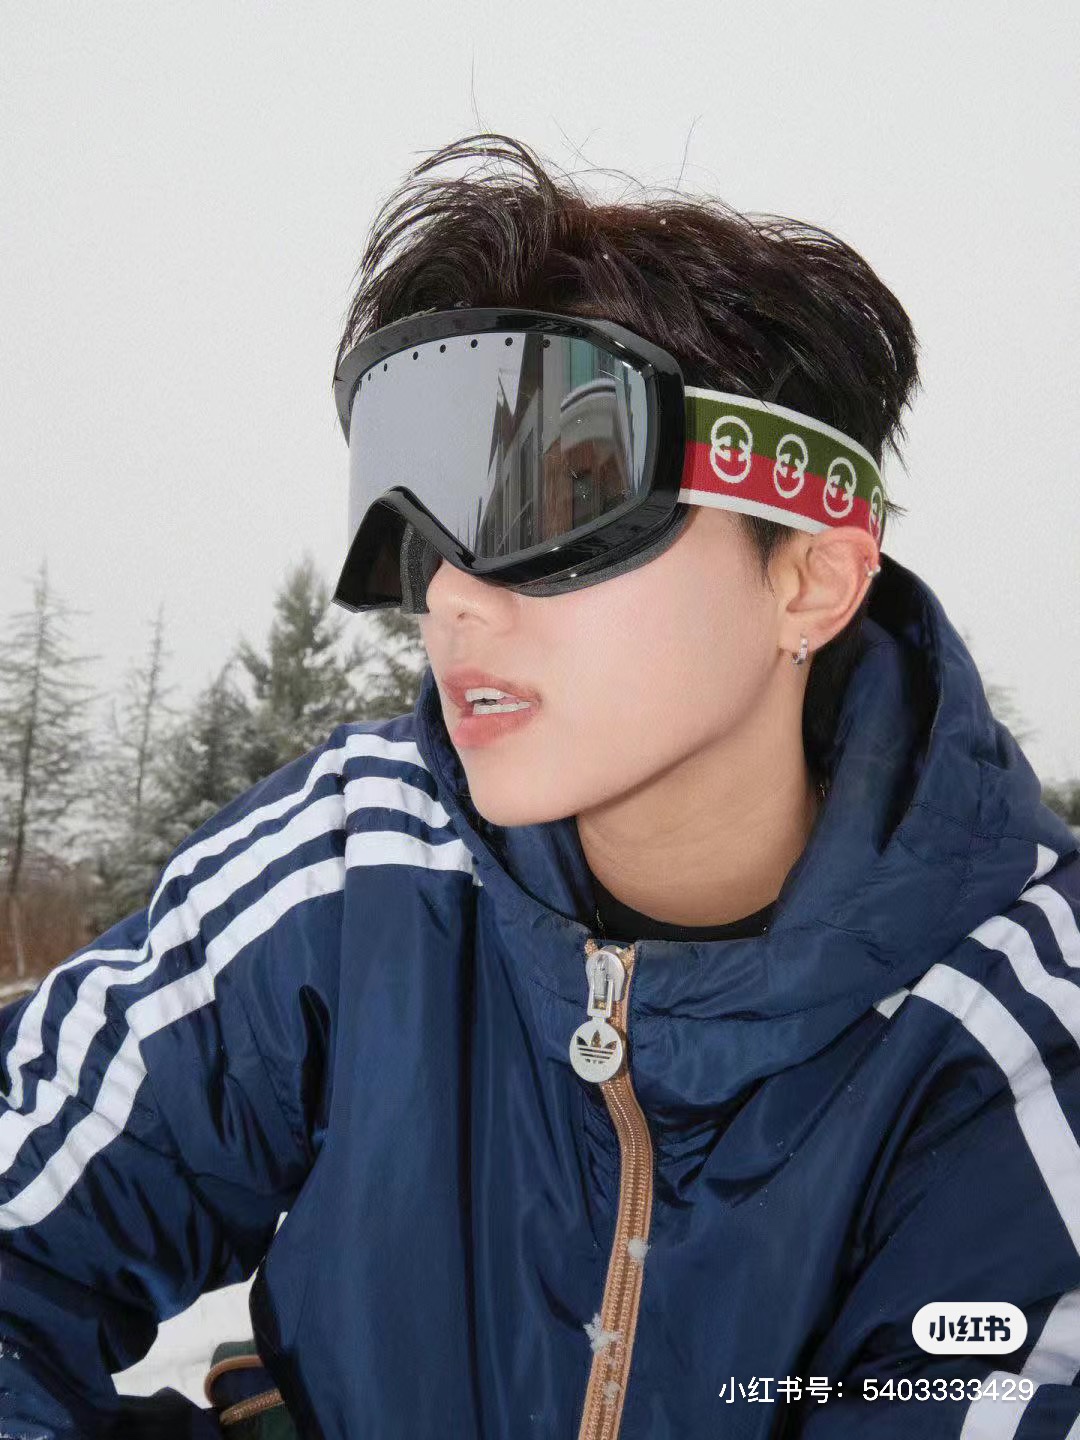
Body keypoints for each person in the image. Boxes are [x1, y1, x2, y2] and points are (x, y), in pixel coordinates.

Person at [1, 131, 1079, 1440]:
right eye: (423, 526)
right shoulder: (361, 868)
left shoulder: (1019, 1043)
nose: (452, 597)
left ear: (808, 581)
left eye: (561, 505)